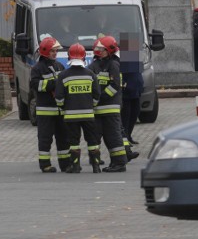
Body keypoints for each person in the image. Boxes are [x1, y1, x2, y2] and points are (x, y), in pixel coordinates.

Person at [55, 43, 102, 173]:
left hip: (70, 116)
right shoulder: (91, 74)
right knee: (92, 141)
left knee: (74, 142)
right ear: (83, 57)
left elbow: (59, 97)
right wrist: (91, 105)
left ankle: (75, 166)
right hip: (88, 115)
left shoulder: (63, 76)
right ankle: (96, 166)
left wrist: (63, 107)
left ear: (69, 57)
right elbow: (97, 94)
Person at [30, 36, 71, 173]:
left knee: (64, 138)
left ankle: (65, 164)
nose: (55, 53)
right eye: (53, 51)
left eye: (56, 51)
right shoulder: (37, 69)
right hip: (46, 110)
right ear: (46, 51)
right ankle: (45, 164)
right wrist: (55, 83)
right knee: (45, 139)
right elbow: (37, 85)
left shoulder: (59, 66)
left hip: (60, 110)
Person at [88, 36, 129, 172]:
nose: (99, 51)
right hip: (100, 108)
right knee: (107, 137)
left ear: (109, 50)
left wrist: (99, 97)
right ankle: (114, 162)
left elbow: (114, 86)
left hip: (110, 108)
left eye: (102, 49)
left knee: (113, 136)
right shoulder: (97, 64)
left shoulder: (113, 65)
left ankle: (120, 163)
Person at [118, 33, 143, 156]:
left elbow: (138, 75)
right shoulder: (123, 60)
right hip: (127, 92)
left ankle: (129, 135)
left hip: (136, 90)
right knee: (126, 115)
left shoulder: (134, 59)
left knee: (135, 112)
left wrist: (140, 86)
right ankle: (126, 136)